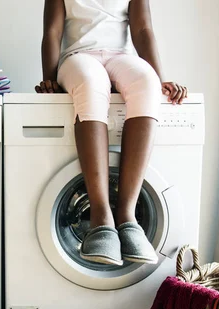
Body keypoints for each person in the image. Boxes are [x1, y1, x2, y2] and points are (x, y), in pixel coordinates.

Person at [36, 0, 188, 266]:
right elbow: (52, 32)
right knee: (91, 83)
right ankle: (100, 217)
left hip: (121, 57)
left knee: (147, 84)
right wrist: (50, 78)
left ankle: (127, 217)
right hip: (78, 58)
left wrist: (160, 78)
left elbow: (143, 31)